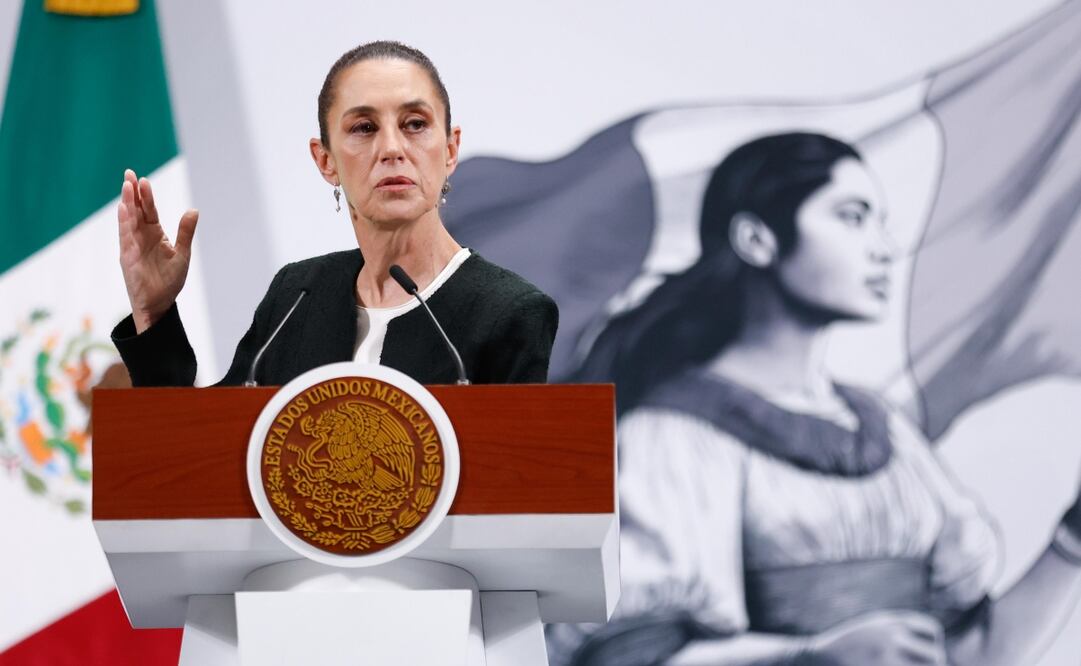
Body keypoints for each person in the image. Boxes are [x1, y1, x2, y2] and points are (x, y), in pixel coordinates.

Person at [550, 133, 1081, 665]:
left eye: (879, 222)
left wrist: (1073, 536)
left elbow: (971, 653)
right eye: (852, 217)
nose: (883, 248)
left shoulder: (885, 429)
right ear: (757, 239)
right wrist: (810, 655)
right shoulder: (672, 435)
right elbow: (626, 657)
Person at [111, 41, 557, 387]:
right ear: (325, 161)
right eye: (364, 128)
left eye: (415, 124)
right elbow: (204, 448)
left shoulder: (509, 313)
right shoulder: (297, 297)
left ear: (451, 149)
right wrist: (153, 312)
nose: (392, 149)